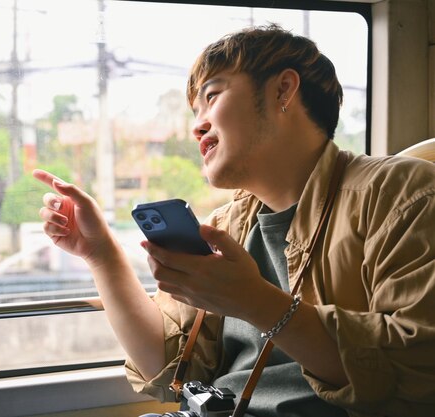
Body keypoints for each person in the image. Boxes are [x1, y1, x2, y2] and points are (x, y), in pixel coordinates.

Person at [33, 24, 435, 417]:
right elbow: (166, 367)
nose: (197, 125)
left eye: (213, 96)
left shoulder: (401, 193)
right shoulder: (229, 224)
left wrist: (253, 300)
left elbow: (414, 376)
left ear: (283, 90)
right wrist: (100, 253)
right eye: (195, 111)